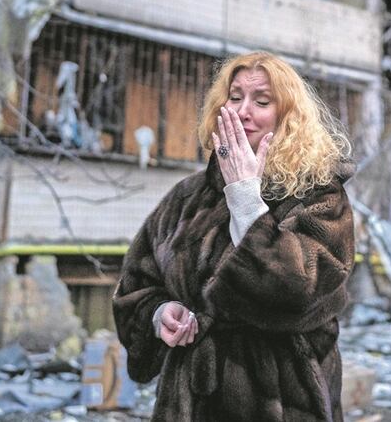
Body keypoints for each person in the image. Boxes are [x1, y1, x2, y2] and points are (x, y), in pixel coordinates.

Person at [113, 51, 356, 421]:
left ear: (288, 116)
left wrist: (245, 197)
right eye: (235, 97)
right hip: (190, 403)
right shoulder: (188, 197)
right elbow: (136, 284)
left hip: (282, 400)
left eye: (262, 101)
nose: (243, 111)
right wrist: (160, 314)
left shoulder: (319, 195)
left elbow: (300, 290)